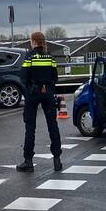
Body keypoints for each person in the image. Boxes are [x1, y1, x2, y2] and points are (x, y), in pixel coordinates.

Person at [16, 31, 63, 172]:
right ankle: (57, 160)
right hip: (48, 93)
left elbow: (23, 77)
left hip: (33, 94)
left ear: (34, 42)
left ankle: (28, 161)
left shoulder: (30, 57)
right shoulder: (50, 57)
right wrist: (48, 87)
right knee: (53, 126)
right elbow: (55, 77)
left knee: (30, 127)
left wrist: (31, 89)